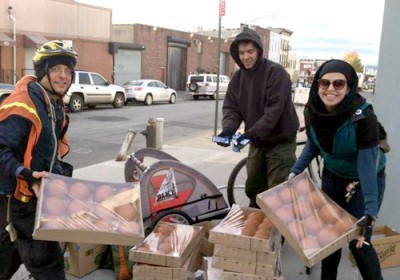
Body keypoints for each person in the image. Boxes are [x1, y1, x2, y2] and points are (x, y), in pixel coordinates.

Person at [289, 59, 386, 280]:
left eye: (339, 84)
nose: (330, 89)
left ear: (350, 86)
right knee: (330, 238)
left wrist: (370, 210)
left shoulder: (363, 117)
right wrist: (296, 170)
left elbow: (367, 166)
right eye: (325, 83)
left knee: (359, 243)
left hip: (363, 180)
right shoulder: (313, 110)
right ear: (317, 85)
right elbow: (315, 143)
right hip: (334, 176)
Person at [0, 40, 77, 279]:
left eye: (67, 71)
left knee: (6, 256)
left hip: (36, 192)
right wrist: (25, 173)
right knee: (48, 265)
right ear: (43, 72)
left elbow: (49, 149)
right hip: (19, 197)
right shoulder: (23, 106)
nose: (63, 76)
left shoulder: (53, 103)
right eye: (56, 69)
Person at [216, 27, 299, 207]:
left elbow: (273, 112)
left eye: (250, 52)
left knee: (277, 192)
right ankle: (257, 223)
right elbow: (231, 108)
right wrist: (228, 130)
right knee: (253, 188)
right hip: (257, 141)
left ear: (259, 51)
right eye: (242, 53)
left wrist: (249, 135)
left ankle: (279, 232)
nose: (246, 57)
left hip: (280, 140)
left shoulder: (276, 73)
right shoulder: (238, 78)